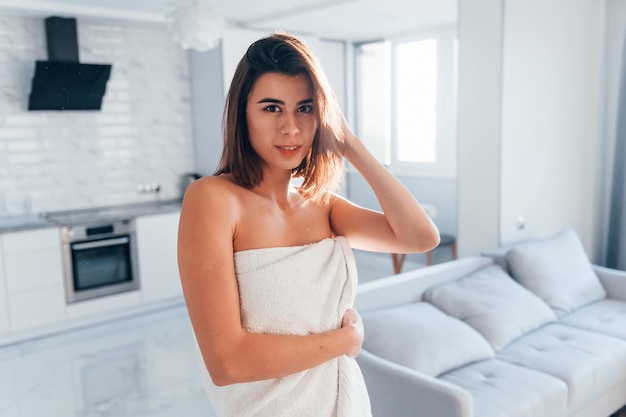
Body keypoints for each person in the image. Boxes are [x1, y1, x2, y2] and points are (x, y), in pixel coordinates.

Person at [177, 32, 440, 417]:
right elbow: (227, 363)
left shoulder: (323, 206)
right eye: (271, 108)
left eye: (305, 108)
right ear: (242, 114)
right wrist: (346, 340)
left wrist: (349, 143)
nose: (291, 128)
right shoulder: (213, 198)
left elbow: (420, 237)